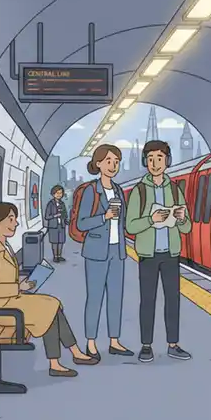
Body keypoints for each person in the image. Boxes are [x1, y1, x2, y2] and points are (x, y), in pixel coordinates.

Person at [0, 202, 97, 377]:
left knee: (52, 303)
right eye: (11, 219)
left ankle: (73, 354)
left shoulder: (3, 246)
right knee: (47, 308)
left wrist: (24, 283)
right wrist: (19, 287)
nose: (16, 223)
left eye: (15, 219)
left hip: (9, 300)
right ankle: (58, 362)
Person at [125, 140, 193, 363]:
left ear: (168, 161)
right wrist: (150, 220)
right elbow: (130, 226)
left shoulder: (174, 190)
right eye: (151, 158)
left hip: (171, 254)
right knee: (148, 300)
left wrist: (181, 219)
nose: (155, 163)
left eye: (160, 158)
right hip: (148, 255)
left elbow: (187, 227)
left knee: (173, 300)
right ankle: (146, 345)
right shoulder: (139, 191)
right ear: (145, 162)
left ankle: (173, 344)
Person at [76, 144, 133, 360]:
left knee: (116, 298)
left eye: (116, 162)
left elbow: (124, 221)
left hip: (117, 252)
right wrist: (104, 217)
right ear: (98, 163)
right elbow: (82, 223)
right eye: (108, 161)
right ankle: (90, 343)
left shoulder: (118, 190)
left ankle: (114, 341)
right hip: (96, 253)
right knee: (95, 298)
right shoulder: (91, 190)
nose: (113, 166)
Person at [44, 185, 68, 262]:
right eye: (57, 193)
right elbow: (47, 216)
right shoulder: (50, 204)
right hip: (53, 226)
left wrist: (66, 219)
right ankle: (55, 256)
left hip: (61, 225)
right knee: (54, 242)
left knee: (61, 241)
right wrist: (55, 215)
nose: (59, 195)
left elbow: (65, 214)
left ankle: (59, 256)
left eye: (61, 193)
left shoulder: (62, 203)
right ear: (53, 194)